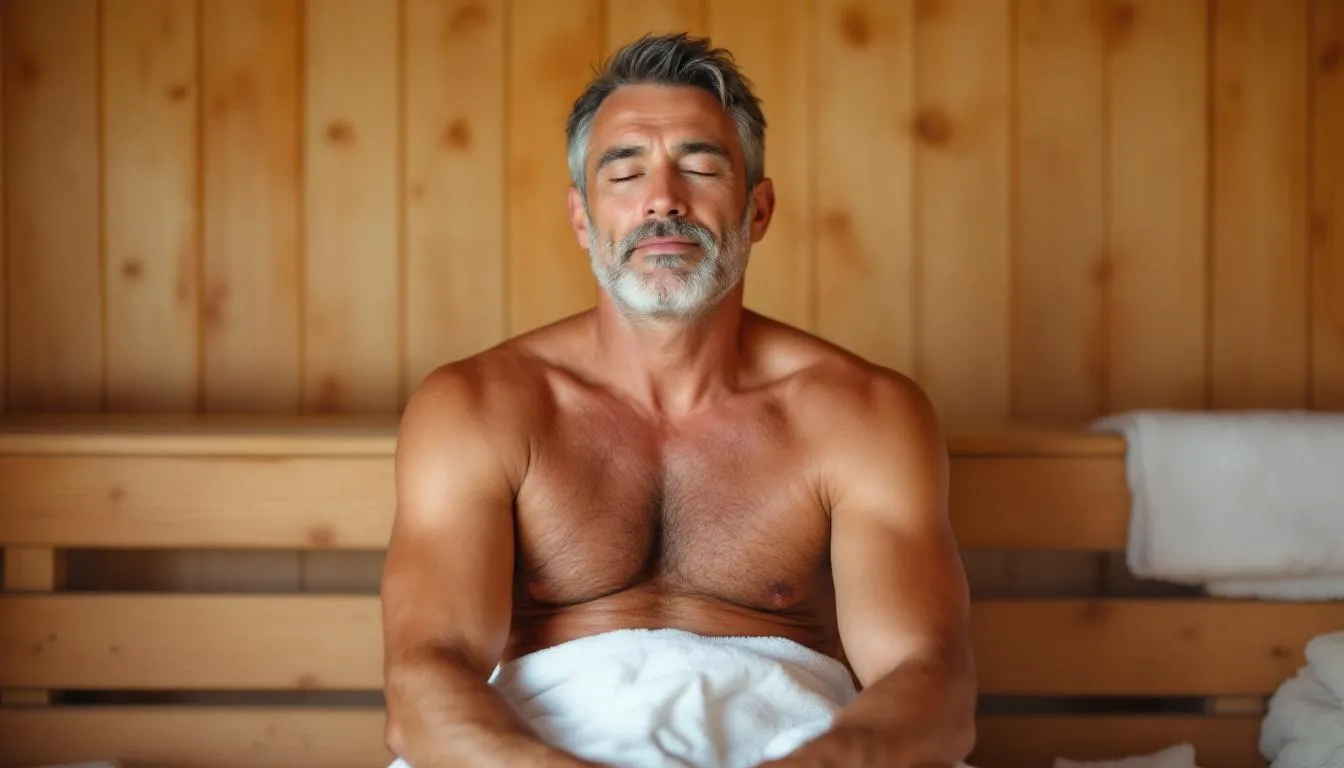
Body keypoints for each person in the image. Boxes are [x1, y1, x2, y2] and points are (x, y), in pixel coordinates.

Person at [379, 32, 977, 768]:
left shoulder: (861, 415)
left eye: (700, 165)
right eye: (624, 174)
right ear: (582, 218)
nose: (663, 199)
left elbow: (931, 680)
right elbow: (425, 674)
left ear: (757, 211)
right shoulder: (479, 408)